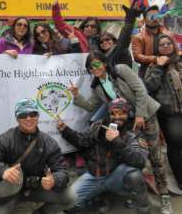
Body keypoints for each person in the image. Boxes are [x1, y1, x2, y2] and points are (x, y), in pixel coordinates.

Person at [69, 50, 172, 214]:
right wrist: (76, 95)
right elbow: (90, 106)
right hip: (128, 122)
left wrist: (140, 114)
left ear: (104, 63)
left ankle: (164, 195)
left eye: (96, 64)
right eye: (90, 67)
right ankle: (135, 193)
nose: (94, 69)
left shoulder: (121, 70)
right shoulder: (97, 86)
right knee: (132, 155)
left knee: (155, 155)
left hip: (146, 114)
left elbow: (140, 90)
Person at [0, 98, 76, 214]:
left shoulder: (49, 142)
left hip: (35, 188)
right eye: (23, 115)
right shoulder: (5, 139)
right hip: (10, 190)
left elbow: (62, 170)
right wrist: (2, 171)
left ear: (38, 116)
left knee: (70, 197)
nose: (29, 118)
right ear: (17, 118)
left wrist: (54, 180)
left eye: (33, 114)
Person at [57, 98, 151, 214]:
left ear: (128, 113)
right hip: (94, 176)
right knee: (68, 204)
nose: (117, 117)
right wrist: (65, 130)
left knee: (134, 175)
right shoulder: (99, 126)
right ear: (109, 113)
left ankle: (144, 209)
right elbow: (82, 142)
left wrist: (117, 141)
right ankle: (100, 198)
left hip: (117, 178)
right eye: (113, 113)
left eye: (122, 113)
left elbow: (140, 161)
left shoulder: (134, 131)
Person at [144, 34, 182, 189]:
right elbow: (149, 87)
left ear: (173, 45)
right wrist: (159, 67)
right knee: (175, 146)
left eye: (168, 43)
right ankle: (180, 179)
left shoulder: (179, 63)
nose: (166, 46)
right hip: (169, 113)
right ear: (157, 49)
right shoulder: (153, 66)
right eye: (162, 45)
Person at [132, 5, 174, 78]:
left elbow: (176, 51)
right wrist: (155, 59)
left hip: (170, 73)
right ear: (144, 20)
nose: (155, 19)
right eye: (151, 16)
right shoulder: (138, 37)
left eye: (156, 16)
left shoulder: (168, 34)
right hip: (149, 74)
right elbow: (137, 56)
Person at [99, 1, 143, 68]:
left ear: (113, 41)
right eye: (101, 42)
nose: (104, 42)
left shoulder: (119, 49)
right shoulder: (103, 57)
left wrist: (129, 20)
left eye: (107, 39)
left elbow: (124, 35)